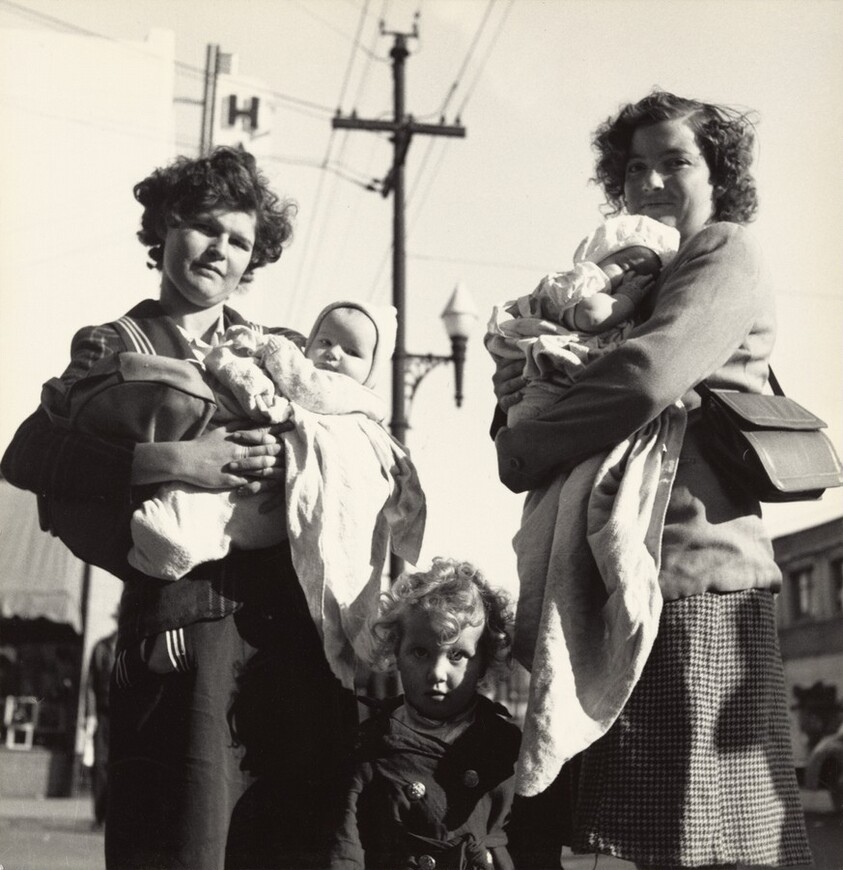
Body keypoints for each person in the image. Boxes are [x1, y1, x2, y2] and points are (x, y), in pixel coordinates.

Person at [1, 146, 358, 870]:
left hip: (287, 623)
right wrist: (174, 460)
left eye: (239, 241)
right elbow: (27, 457)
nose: (219, 251)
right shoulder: (114, 345)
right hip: (182, 618)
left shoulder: (278, 350)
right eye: (202, 227)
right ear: (163, 228)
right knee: (185, 832)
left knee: (287, 830)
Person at [491, 90, 812, 869]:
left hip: (692, 575)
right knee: (630, 835)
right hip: (610, 571)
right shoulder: (616, 275)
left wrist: (523, 447)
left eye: (675, 162)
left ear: (719, 175)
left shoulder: (721, 249)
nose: (651, 184)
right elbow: (534, 377)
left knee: (700, 832)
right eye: (635, 169)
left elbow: (643, 377)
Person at [327, 557, 521, 870]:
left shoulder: (505, 743)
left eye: (457, 655)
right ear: (396, 653)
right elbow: (345, 850)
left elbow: (536, 843)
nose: (436, 673)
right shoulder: (370, 747)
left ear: (483, 661)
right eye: (420, 652)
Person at [485, 214, 680, 425]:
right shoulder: (581, 284)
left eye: (646, 276)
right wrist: (626, 298)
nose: (632, 279)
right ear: (598, 259)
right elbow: (592, 315)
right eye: (626, 267)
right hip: (546, 389)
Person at [84, 622, 118, 831]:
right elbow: (90, 685)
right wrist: (90, 714)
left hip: (124, 716)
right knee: (100, 764)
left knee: (119, 764)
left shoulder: (131, 644)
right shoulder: (101, 647)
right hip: (103, 714)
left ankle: (114, 815)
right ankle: (100, 815)